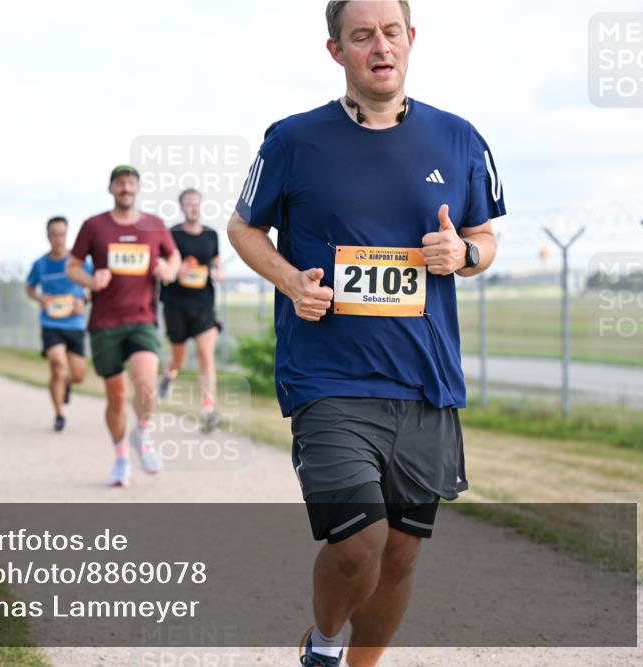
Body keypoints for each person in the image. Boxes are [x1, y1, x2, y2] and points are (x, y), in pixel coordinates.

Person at [226, 2, 504, 666]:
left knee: (402, 550)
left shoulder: (460, 138)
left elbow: (485, 238)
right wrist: (292, 282)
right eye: (361, 35)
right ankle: (323, 645)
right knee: (358, 542)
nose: (379, 45)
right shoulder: (293, 140)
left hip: (424, 380)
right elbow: (241, 228)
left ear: (411, 40)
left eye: (390, 32)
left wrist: (461, 255)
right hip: (328, 378)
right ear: (336, 50)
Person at [67, 165, 181, 487]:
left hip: (142, 318)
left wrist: (167, 270)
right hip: (105, 323)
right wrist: (91, 279)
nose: (125, 188)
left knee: (145, 382)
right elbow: (72, 267)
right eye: (120, 184)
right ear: (111, 189)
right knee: (116, 396)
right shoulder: (94, 226)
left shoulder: (154, 226)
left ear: (138, 188)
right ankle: (120, 458)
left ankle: (142, 434)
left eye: (131, 183)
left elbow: (174, 259)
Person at [158, 188, 224, 432]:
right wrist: (176, 271)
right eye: (188, 203)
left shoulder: (211, 235)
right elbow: (163, 264)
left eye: (196, 203)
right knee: (179, 358)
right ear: (181, 207)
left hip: (203, 304)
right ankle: (168, 376)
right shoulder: (171, 234)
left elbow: (215, 261)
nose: (193, 207)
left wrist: (219, 271)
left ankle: (208, 409)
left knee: (206, 355)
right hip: (176, 304)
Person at [26, 216, 92, 432]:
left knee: (79, 375)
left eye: (62, 234)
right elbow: (30, 287)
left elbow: (93, 285)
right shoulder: (40, 264)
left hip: (74, 324)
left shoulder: (79, 262)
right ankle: (59, 414)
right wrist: (39, 299)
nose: (58, 239)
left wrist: (84, 299)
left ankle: (66, 385)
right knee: (57, 364)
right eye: (53, 234)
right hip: (51, 323)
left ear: (67, 235)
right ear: (47, 236)